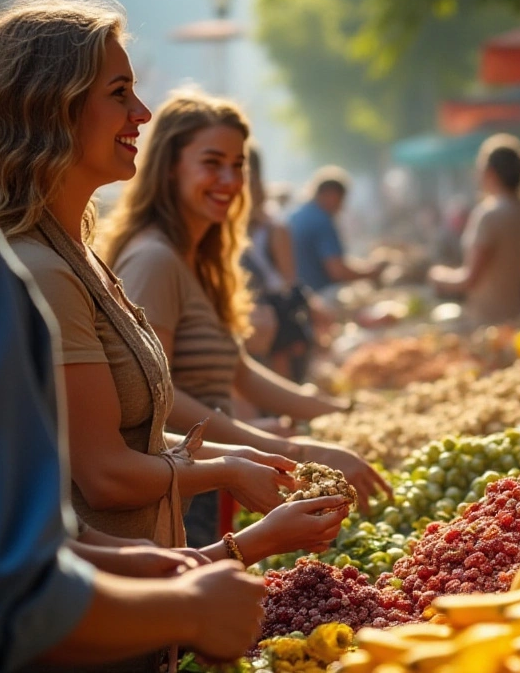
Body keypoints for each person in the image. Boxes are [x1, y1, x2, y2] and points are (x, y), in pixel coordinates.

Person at [0, 0, 266, 669]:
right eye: (120, 93)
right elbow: (5, 595)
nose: (142, 113)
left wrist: (123, 559)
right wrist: (194, 601)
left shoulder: (39, 250)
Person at [0, 0, 348, 612]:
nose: (142, 113)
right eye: (119, 93)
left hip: (141, 602)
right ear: (54, 108)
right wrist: (235, 490)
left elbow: (136, 436)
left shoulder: (76, 254)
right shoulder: (44, 268)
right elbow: (105, 473)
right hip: (102, 620)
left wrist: (248, 454)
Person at [102, 90, 390, 545]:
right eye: (211, 163)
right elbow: (157, 393)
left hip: (204, 486)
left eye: (238, 165)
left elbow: (241, 374)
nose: (229, 180)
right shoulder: (154, 260)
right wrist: (283, 450)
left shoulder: (197, 261)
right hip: (172, 493)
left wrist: (342, 412)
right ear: (170, 166)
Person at [428, 133, 520, 326]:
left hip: (488, 321)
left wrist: (438, 276)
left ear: (490, 173)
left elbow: (470, 279)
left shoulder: (489, 215)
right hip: (519, 314)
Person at [241, 145, 323, 383]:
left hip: (272, 321)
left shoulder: (274, 227)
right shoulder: (218, 225)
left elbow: (287, 280)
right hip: (241, 320)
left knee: (278, 380)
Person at [287, 165, 384, 293]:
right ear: (331, 195)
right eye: (341, 200)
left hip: (301, 293)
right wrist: (370, 274)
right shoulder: (321, 220)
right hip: (319, 293)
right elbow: (337, 271)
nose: (341, 207)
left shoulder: (297, 214)